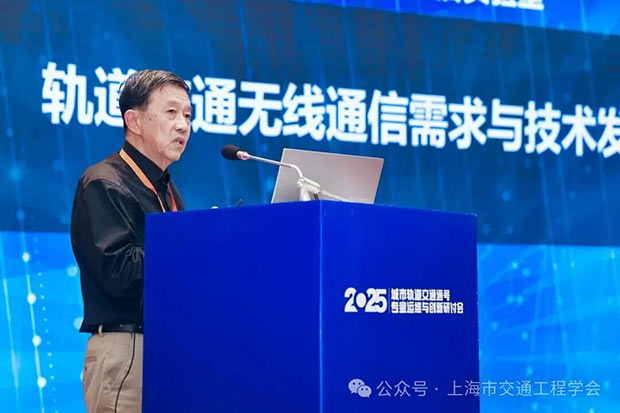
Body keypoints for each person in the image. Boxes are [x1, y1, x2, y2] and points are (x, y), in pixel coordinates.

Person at [70, 69, 192, 412]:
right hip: (126, 349)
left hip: (165, 347)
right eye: (171, 112)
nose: (182, 125)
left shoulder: (167, 189)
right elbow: (119, 272)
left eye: (187, 116)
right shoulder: (104, 182)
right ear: (133, 120)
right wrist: (193, 251)